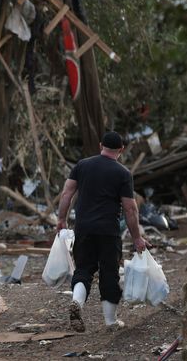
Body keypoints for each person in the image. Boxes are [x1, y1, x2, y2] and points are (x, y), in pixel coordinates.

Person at [56, 131, 147, 332]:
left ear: (100, 146)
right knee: (109, 273)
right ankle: (110, 321)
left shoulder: (82, 165)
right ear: (121, 150)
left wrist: (62, 219)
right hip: (108, 231)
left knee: (83, 269)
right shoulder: (123, 174)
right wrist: (137, 238)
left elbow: (67, 193)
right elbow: (130, 209)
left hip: (84, 228)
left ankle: (77, 303)